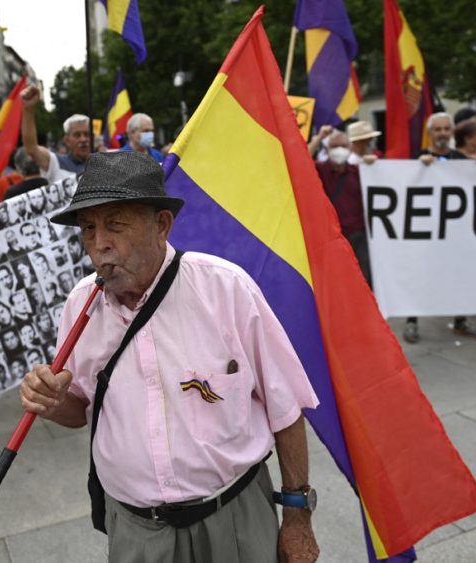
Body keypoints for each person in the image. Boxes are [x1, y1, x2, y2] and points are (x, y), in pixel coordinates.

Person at [20, 151, 320, 562]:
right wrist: (54, 403)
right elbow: (80, 410)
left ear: (161, 225)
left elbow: (285, 407)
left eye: (116, 224)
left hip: (234, 517)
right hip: (138, 532)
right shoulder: (79, 307)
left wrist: (297, 517)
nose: (99, 243)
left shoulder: (225, 288)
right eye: (88, 229)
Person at [404, 113, 476, 343]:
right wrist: (419, 168)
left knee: (460, 274)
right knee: (421, 276)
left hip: (456, 232)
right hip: (426, 231)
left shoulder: (462, 159)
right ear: (430, 133)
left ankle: (461, 320)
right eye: (437, 129)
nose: (442, 133)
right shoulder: (416, 159)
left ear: (451, 132)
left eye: (446, 129)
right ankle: (412, 321)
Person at [314, 130, 370, 286]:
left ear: (350, 148)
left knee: (361, 279)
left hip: (357, 236)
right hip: (330, 237)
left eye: (343, 146)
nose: (339, 149)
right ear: (327, 149)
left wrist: (374, 165)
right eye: (334, 146)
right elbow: (299, 158)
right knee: (334, 281)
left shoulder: (359, 172)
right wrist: (319, 137)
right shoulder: (319, 170)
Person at [20, 85, 88, 182]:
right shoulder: (56, 163)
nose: (83, 139)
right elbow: (31, 148)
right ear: (67, 140)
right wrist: (28, 109)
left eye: (87, 134)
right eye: (77, 135)